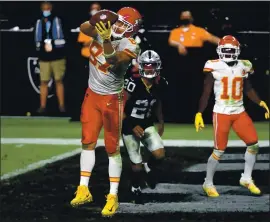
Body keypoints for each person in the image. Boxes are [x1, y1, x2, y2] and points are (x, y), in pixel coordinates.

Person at [70, 7, 142, 217]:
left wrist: (106, 38)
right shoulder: (104, 29)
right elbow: (84, 28)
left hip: (112, 99)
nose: (118, 26)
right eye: (117, 22)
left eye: (124, 25)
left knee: (112, 148)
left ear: (132, 29)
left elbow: (112, 60)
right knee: (87, 142)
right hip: (92, 95)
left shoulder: (131, 45)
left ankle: (113, 196)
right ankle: (83, 188)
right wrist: (97, 20)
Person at [194, 35, 270, 197]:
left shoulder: (245, 65)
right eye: (225, 50)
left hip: (239, 111)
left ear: (237, 51)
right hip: (221, 112)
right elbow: (206, 92)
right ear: (219, 50)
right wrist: (200, 112)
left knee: (253, 144)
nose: (228, 53)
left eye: (231, 50)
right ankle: (208, 183)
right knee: (219, 150)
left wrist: (260, 102)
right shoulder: (213, 66)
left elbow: (248, 88)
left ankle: (247, 178)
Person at [122, 50, 167, 204]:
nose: (149, 68)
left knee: (160, 154)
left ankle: (148, 167)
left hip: (146, 123)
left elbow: (158, 103)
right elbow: (119, 108)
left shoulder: (159, 83)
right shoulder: (132, 84)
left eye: (152, 65)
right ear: (140, 66)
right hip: (129, 124)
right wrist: (132, 125)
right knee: (136, 166)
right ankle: (135, 187)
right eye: (146, 65)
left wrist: (160, 121)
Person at [34, 1, 66, 114]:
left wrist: (53, 45)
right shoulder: (39, 21)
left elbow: (63, 37)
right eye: (44, 8)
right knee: (43, 81)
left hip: (58, 56)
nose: (46, 10)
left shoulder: (58, 20)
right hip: (44, 57)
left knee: (58, 81)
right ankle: (42, 106)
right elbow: (37, 39)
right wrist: (43, 46)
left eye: (48, 8)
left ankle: (62, 106)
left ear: (51, 8)